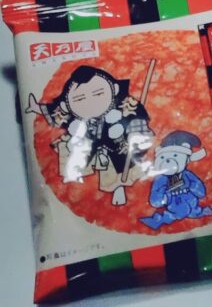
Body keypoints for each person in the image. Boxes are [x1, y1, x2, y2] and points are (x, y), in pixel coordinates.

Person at [24, 65, 153, 205]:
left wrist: (136, 133)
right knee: (72, 155)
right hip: (88, 143)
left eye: (98, 94)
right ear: (67, 105)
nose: (91, 102)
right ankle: (76, 183)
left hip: (115, 145)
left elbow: (137, 119)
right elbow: (56, 112)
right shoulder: (74, 118)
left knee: (117, 168)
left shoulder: (123, 107)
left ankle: (118, 189)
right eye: (79, 99)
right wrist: (36, 108)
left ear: (114, 89)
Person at [140, 131, 212, 230]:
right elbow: (155, 199)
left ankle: (199, 212)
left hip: (192, 205)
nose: (168, 161)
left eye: (175, 156)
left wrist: (192, 186)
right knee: (174, 215)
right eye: (163, 157)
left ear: (186, 159)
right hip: (174, 206)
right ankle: (160, 219)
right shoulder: (161, 179)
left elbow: (201, 192)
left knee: (197, 213)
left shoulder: (187, 175)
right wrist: (165, 197)